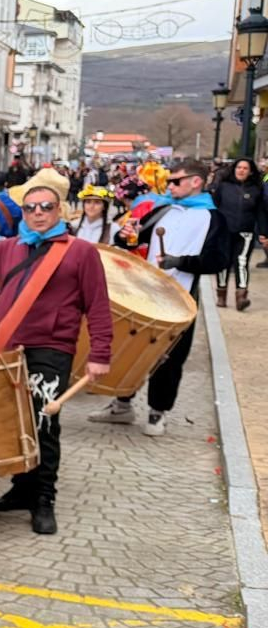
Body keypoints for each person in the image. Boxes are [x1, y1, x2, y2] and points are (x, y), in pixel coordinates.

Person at [0, 169, 113, 534]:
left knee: (44, 423)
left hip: (51, 346)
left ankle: (44, 497)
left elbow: (97, 306)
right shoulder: (9, 246)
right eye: (30, 207)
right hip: (8, 346)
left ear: (60, 209)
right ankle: (21, 488)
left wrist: (101, 354)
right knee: (14, 420)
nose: (37, 212)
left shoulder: (81, 252)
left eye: (45, 206)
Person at [92, 160, 231, 436]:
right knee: (131, 345)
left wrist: (181, 261)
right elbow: (132, 239)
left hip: (180, 297)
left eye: (176, 181)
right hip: (144, 291)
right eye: (169, 181)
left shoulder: (214, 219)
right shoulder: (162, 209)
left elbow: (219, 260)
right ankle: (122, 404)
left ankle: (158, 411)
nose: (170, 186)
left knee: (170, 356)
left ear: (196, 182)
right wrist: (125, 235)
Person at [210, 157, 263, 310]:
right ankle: (221, 295)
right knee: (223, 262)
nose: (241, 170)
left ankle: (241, 296)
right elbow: (214, 207)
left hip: (245, 232)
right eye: (239, 167)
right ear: (234, 169)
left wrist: (263, 233)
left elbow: (260, 213)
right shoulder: (224, 186)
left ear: (251, 172)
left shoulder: (256, 190)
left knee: (241, 262)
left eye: (245, 168)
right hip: (224, 231)